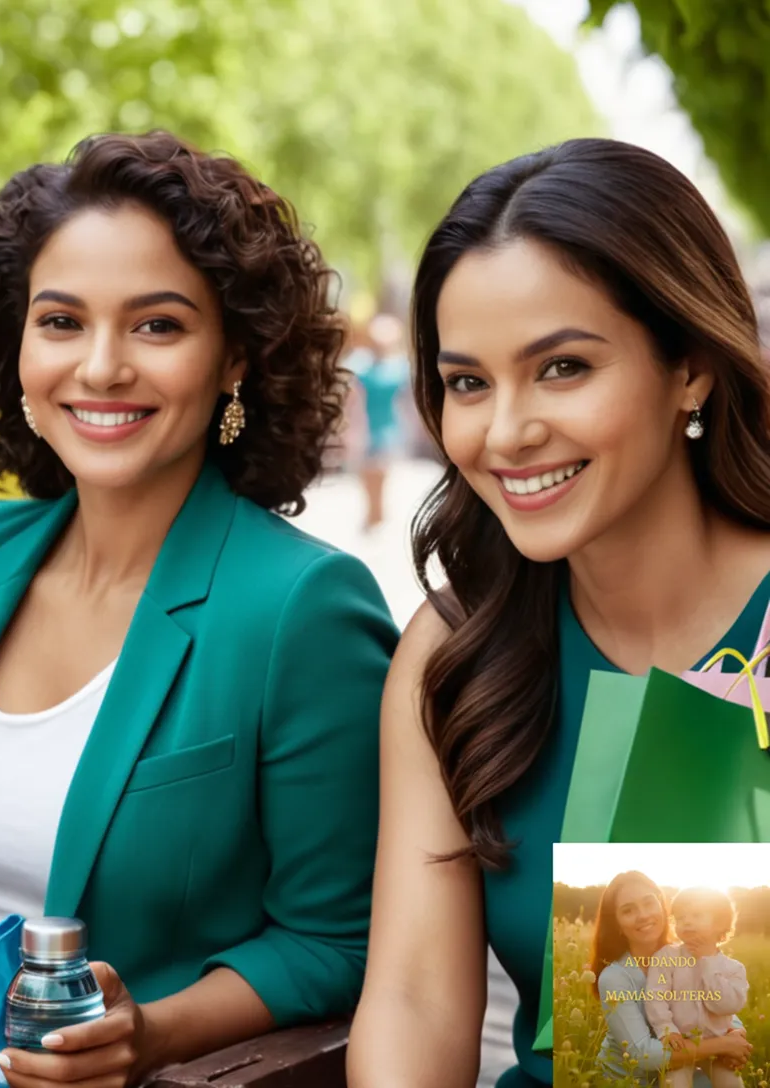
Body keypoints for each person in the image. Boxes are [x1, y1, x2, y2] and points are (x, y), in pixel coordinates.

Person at [0, 130, 398, 1087]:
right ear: (17, 343)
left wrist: (148, 1033)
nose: (102, 367)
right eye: (61, 321)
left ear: (234, 356)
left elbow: (340, 940)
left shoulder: (302, 609)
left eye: (157, 326)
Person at [346, 137, 770, 1088]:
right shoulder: (452, 652)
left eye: (563, 367)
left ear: (691, 367)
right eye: (468, 383)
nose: (505, 432)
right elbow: (413, 1000)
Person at [592, 873, 750, 1086]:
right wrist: (723, 1045)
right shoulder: (615, 978)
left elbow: (713, 1003)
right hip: (632, 1080)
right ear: (617, 923)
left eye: (649, 903)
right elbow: (643, 1054)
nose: (643, 915)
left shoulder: (688, 953)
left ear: (662, 906)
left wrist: (736, 1033)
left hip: (685, 1063)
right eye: (628, 910)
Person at [644, 886, 748, 1087]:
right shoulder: (666, 957)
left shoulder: (734, 969)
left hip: (719, 1048)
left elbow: (726, 1006)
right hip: (681, 1044)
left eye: (697, 915)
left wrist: (707, 962)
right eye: (680, 918)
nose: (687, 922)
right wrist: (666, 1029)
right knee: (674, 1083)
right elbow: (656, 996)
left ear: (720, 923)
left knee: (732, 1083)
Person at [346, 314, 411, 531]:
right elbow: (351, 399)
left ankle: (378, 514)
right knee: (366, 471)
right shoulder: (360, 364)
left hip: (388, 425)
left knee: (381, 470)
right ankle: (373, 513)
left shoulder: (399, 366)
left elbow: (406, 399)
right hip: (365, 424)